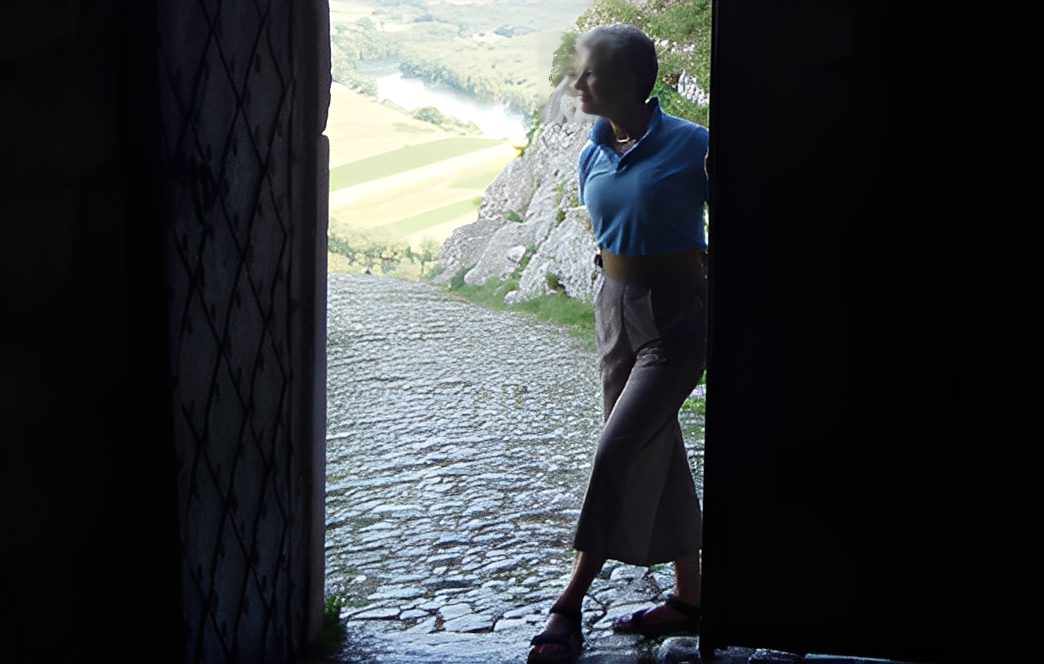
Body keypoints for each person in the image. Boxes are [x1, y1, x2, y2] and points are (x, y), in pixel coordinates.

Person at [527, 24, 710, 664]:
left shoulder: (695, 145)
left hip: (677, 315)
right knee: (656, 444)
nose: (577, 83)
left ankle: (568, 602)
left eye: (591, 73)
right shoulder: (593, 150)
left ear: (632, 81)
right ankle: (691, 596)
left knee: (618, 450)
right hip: (614, 309)